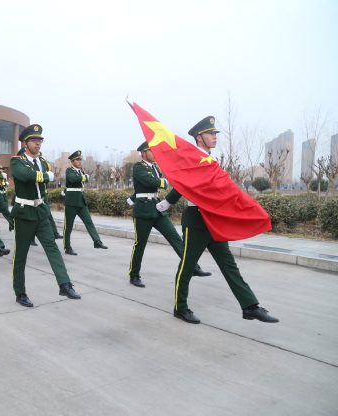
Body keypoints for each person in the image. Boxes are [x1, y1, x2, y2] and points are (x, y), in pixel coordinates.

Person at [158, 116, 279, 324]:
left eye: (215, 133)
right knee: (187, 266)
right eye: (210, 133)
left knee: (229, 265)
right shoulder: (192, 158)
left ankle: (250, 306)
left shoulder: (210, 160)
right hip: (196, 220)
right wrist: (168, 201)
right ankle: (180, 307)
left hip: (214, 220)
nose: (215, 137)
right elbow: (183, 182)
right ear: (199, 137)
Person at [11, 124, 81, 307]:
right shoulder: (17, 161)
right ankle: (20, 292)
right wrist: (46, 176)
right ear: (25, 143)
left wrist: (48, 214)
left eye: (40, 140)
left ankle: (65, 284)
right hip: (24, 213)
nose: (38, 143)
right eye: (34, 140)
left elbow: (42, 191)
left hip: (40, 213)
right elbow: (25, 175)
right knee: (21, 256)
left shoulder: (43, 162)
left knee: (52, 248)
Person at [127, 142, 211, 288]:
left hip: (156, 208)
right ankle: (134, 275)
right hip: (143, 210)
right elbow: (151, 182)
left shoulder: (155, 168)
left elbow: (155, 183)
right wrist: (164, 182)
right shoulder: (138, 167)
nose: (155, 153)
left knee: (175, 237)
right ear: (144, 153)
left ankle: (193, 267)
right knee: (140, 243)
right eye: (151, 151)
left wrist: (161, 182)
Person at [63, 150, 108, 255]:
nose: (80, 162)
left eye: (80, 159)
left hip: (81, 201)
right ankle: (67, 247)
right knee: (68, 226)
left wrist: (84, 176)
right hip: (71, 202)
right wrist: (85, 177)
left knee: (89, 222)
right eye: (77, 160)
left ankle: (97, 241)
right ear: (72, 162)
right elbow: (73, 179)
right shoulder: (69, 171)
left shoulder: (81, 171)